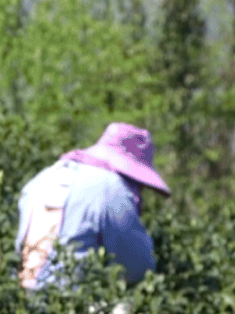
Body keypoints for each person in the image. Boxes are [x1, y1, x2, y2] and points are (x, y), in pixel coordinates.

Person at [16, 122, 172, 291]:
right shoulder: (110, 187)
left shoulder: (43, 178)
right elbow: (137, 266)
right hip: (69, 301)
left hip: (24, 297)